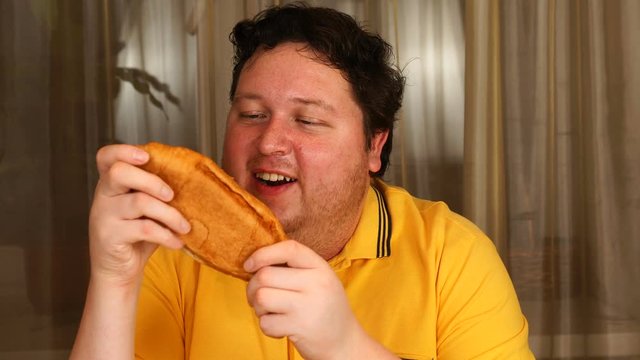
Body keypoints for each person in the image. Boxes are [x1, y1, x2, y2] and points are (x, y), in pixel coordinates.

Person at [71, 2, 533, 359]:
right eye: (252, 114)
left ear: (374, 145)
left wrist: (346, 347)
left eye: (308, 120)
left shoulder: (451, 257)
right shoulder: (170, 251)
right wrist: (114, 280)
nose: (270, 141)